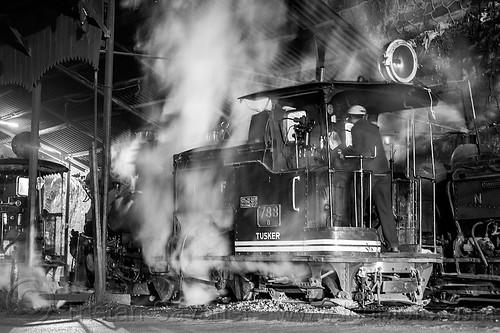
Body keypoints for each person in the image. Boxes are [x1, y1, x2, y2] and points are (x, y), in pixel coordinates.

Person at [340, 105, 399, 252]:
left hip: (368, 173)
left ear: (352, 117)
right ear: (364, 116)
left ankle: (357, 241)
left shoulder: (355, 129)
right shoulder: (374, 128)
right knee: (385, 209)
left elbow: (358, 150)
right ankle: (393, 245)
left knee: (357, 205)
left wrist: (343, 152)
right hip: (383, 172)